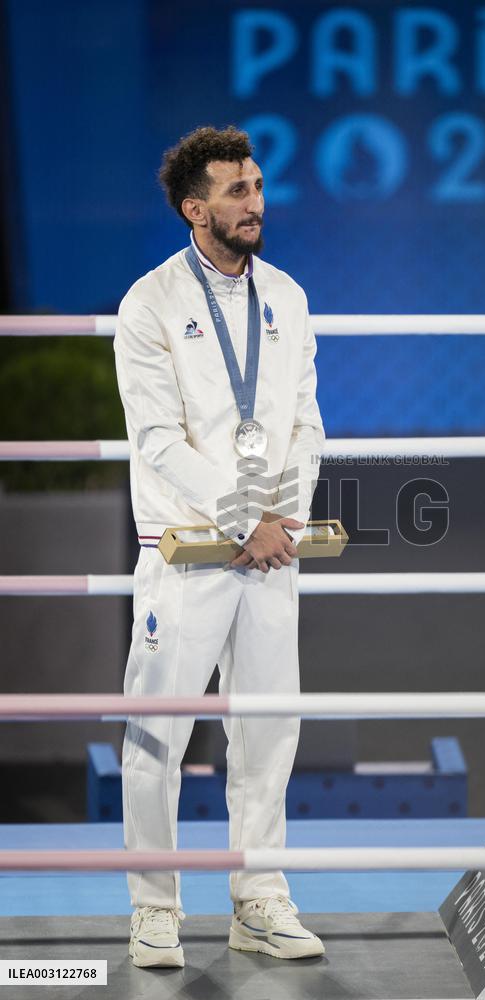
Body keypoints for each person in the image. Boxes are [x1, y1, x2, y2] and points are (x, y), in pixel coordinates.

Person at [113, 125, 325, 968]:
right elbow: (157, 440)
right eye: (237, 192)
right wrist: (247, 521)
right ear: (195, 208)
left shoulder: (290, 297)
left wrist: (284, 520)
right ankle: (155, 906)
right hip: (189, 550)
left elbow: (305, 423)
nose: (255, 203)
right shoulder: (150, 302)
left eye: (259, 186)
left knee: (271, 731)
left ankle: (260, 898)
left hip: (271, 553)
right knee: (158, 735)